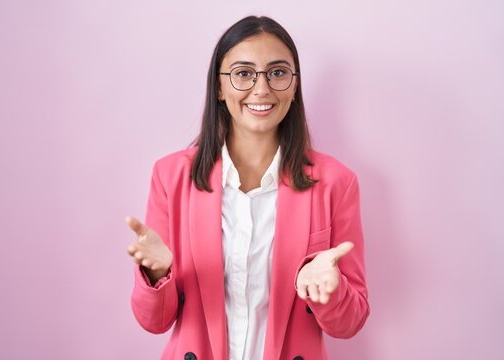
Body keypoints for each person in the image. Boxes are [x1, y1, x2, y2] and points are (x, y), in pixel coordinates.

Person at [125, 15, 369, 360]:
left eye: (278, 72)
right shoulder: (171, 176)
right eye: (243, 74)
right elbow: (153, 321)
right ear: (220, 88)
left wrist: (330, 289)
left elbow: (351, 321)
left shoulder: (336, 183)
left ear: (295, 85)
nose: (262, 88)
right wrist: (156, 273)